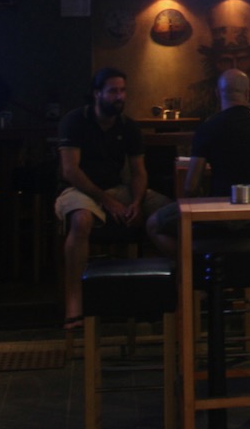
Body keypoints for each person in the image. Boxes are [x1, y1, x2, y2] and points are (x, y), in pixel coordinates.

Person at [55, 67, 172, 330]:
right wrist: (108, 202)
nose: (120, 97)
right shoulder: (75, 121)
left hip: (117, 188)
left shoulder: (128, 127)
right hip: (79, 189)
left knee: (166, 213)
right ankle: (75, 302)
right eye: (113, 91)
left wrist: (136, 201)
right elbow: (70, 170)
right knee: (81, 220)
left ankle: (166, 293)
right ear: (97, 94)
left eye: (123, 91)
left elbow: (139, 171)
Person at [148, 69, 250, 252]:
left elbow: (190, 187)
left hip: (222, 216)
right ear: (248, 93)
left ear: (218, 93)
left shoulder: (210, 127)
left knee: (154, 224)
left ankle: (193, 270)